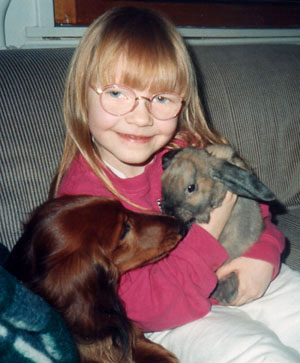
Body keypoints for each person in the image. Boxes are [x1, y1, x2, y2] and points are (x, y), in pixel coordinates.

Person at [52, 6, 300, 362]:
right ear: (82, 94)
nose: (141, 117)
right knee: (260, 355)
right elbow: (140, 305)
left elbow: (257, 213)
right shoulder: (81, 206)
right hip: (173, 317)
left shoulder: (184, 150)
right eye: (118, 93)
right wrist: (210, 233)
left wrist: (263, 256)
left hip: (246, 272)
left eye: (162, 99)